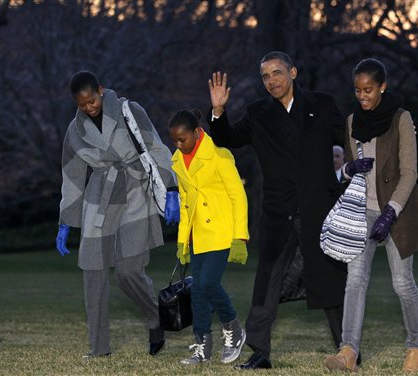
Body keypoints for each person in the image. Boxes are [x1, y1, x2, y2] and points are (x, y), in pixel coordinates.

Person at [208, 51, 348, 369]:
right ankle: (260, 352)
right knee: (266, 283)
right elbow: (226, 138)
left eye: (277, 73)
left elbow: (352, 137)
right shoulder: (258, 113)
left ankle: (347, 348)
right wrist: (218, 111)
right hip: (277, 211)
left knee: (330, 278)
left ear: (293, 72)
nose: (272, 80)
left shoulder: (321, 105)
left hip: (318, 209)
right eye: (266, 76)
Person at [324, 58, 418, 372]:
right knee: (355, 281)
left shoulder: (401, 119)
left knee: (402, 284)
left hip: (397, 211)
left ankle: (416, 348)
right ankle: (348, 351)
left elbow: (410, 172)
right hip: (363, 212)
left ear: (383, 87)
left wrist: (391, 212)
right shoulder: (351, 122)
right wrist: (349, 168)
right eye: (358, 90)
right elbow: (348, 168)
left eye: (369, 90)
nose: (363, 96)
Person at [55, 71, 180, 358]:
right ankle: (99, 349)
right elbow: (72, 176)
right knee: (92, 273)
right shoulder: (75, 131)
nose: (89, 107)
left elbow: (156, 148)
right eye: (82, 104)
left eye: (92, 100)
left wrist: (171, 188)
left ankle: (154, 319)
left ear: (100, 90)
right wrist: (66, 221)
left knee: (128, 272)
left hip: (136, 192)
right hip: (99, 199)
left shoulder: (130, 111)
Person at [168, 109, 249, 365]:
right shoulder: (178, 161)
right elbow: (184, 204)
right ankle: (202, 346)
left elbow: (238, 196)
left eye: (183, 139)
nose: (179, 145)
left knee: (207, 283)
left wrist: (240, 237)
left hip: (222, 231)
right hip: (197, 235)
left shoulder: (219, 155)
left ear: (196, 132)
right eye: (174, 140)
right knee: (198, 292)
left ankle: (233, 329)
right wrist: (182, 240)